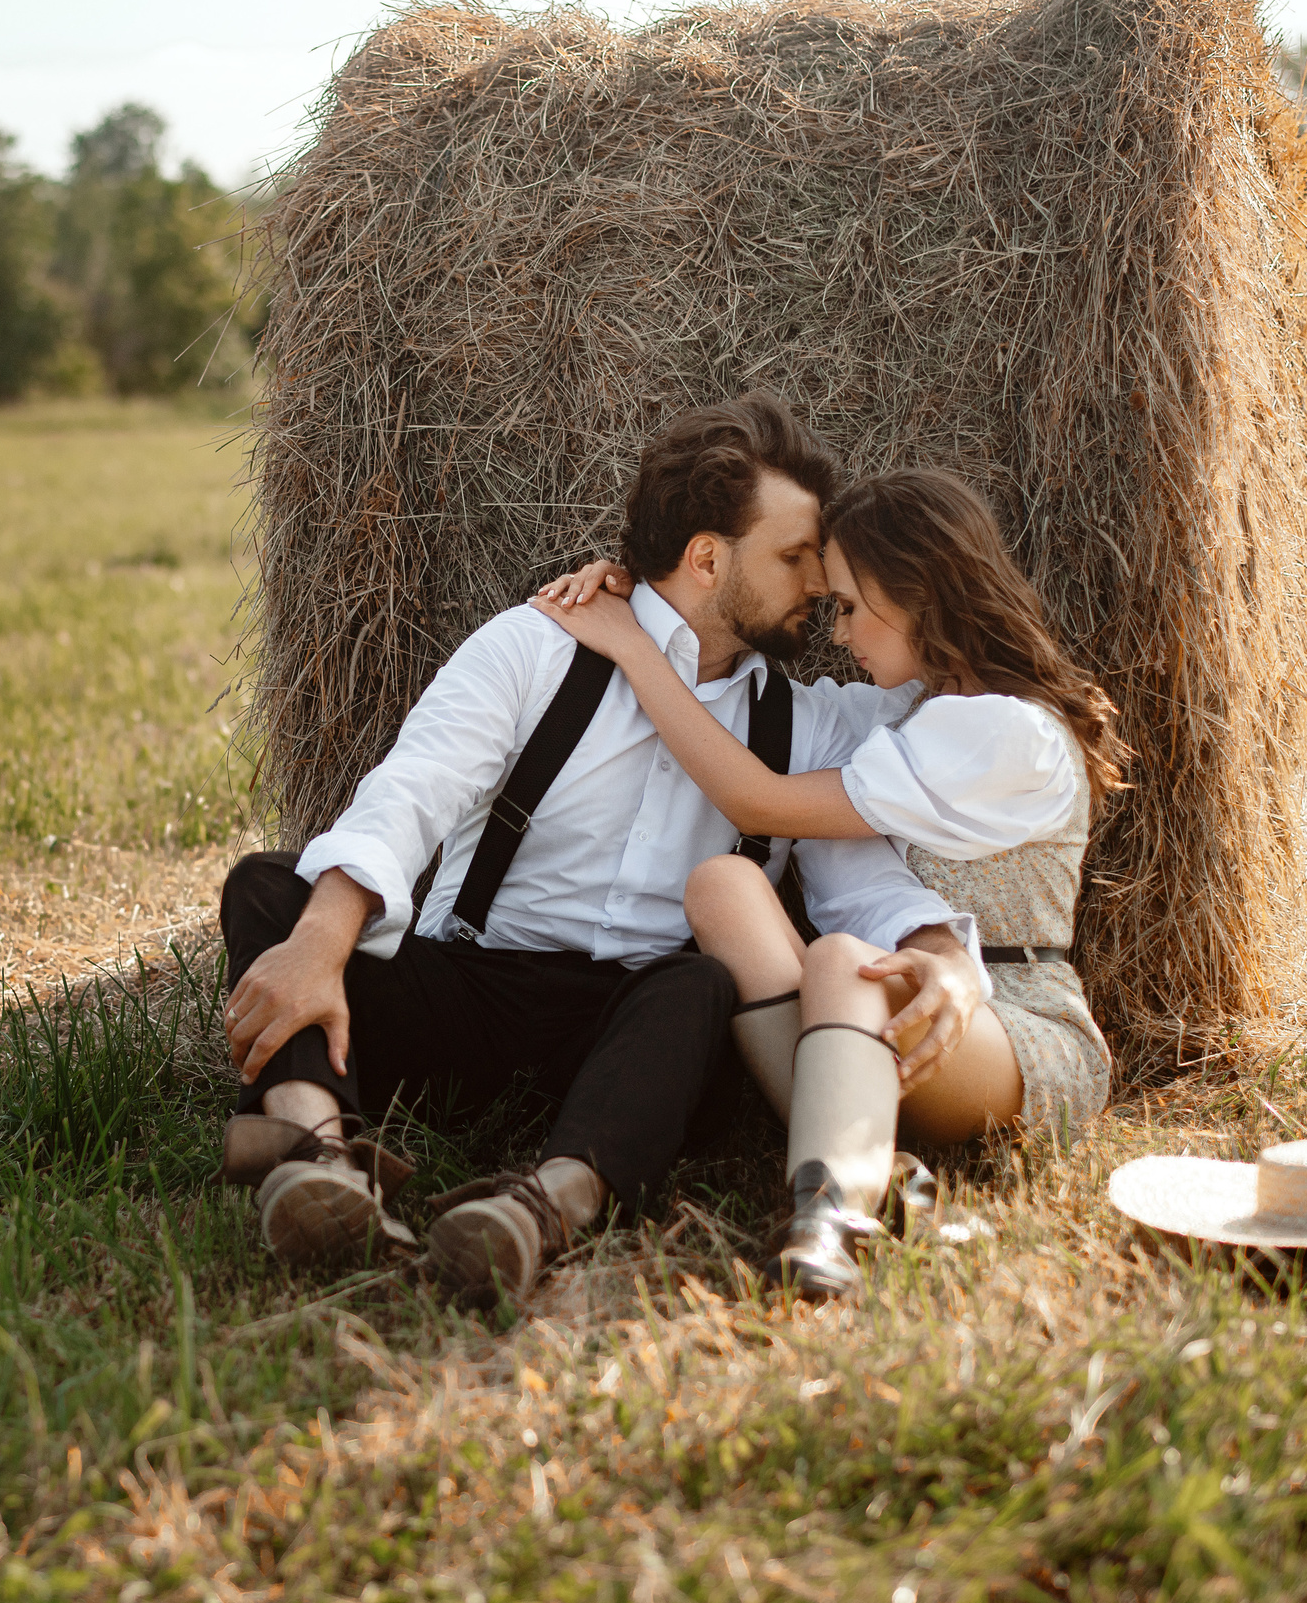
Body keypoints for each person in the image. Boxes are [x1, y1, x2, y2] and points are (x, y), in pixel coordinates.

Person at [219, 392, 990, 1303]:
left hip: (638, 1036)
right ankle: (318, 1155)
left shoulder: (805, 724)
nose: (820, 586)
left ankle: (544, 1206)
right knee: (271, 886)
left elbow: (892, 822)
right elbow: (409, 792)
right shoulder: (538, 645)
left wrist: (943, 954)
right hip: (471, 987)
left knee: (696, 987)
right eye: (793, 557)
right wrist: (319, 944)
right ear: (707, 558)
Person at [533, 466, 1127, 1298]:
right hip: (888, 1010)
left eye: (849, 606)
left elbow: (754, 797)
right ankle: (876, 1163)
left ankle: (830, 1215)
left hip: (1018, 1026)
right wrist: (652, 599)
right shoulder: (901, 718)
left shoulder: (1005, 731)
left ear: (916, 593)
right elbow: (798, 758)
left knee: (843, 959)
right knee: (723, 885)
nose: (838, 633)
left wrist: (633, 649)